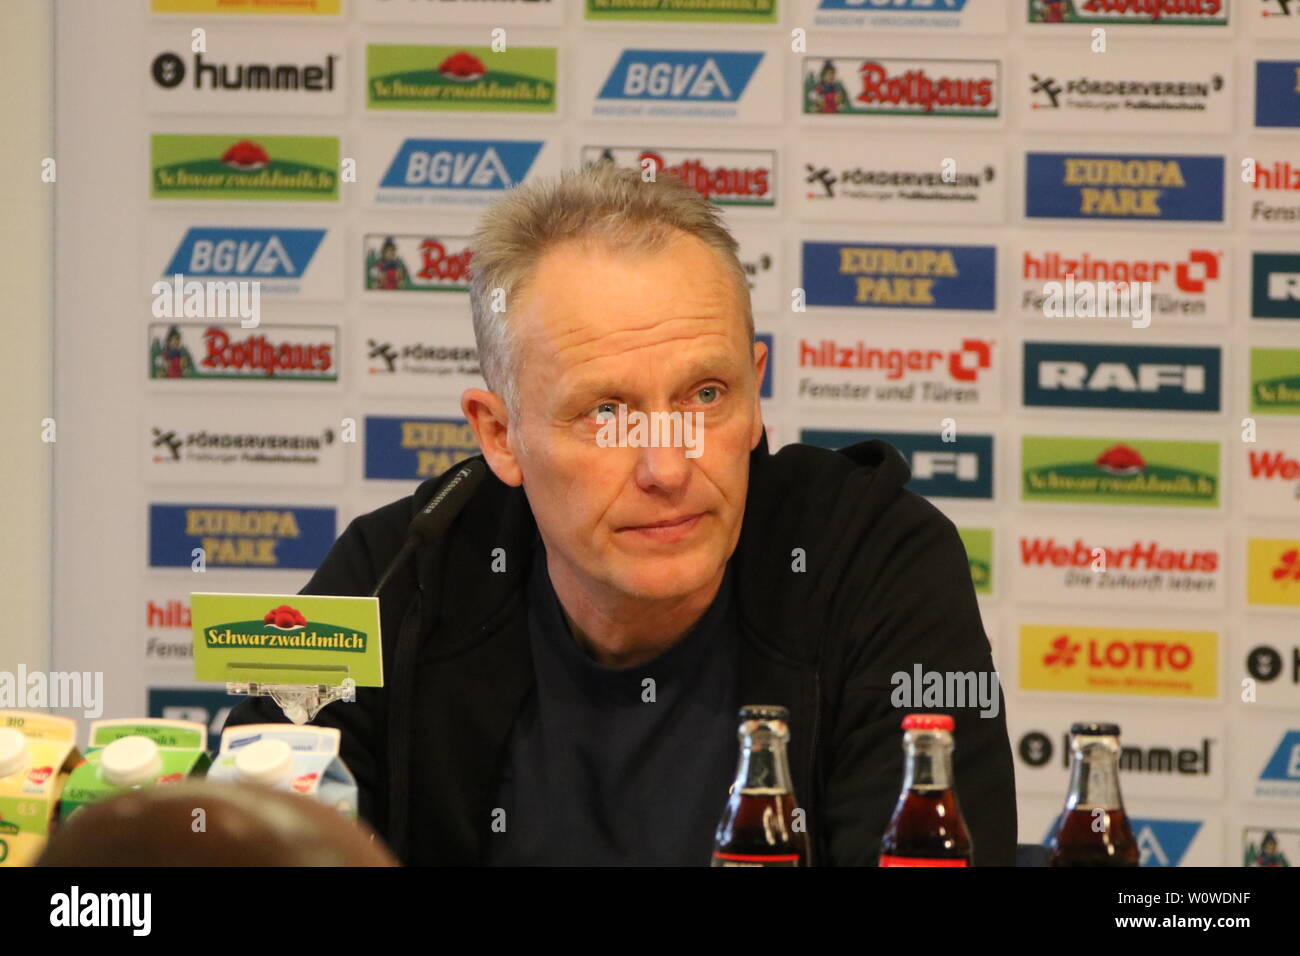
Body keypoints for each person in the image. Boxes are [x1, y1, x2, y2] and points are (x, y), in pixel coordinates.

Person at [224, 161, 1016, 866]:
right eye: (607, 413)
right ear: (500, 435)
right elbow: (224, 822)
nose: (667, 467)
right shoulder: (396, 568)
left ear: (756, 389)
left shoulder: (881, 560)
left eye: (706, 396)